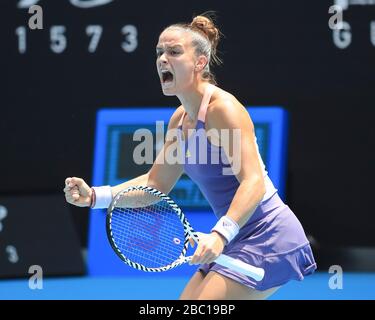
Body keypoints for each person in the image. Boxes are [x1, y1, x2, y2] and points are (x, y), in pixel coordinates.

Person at [64, 13, 316, 300]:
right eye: (159, 52)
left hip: (267, 233)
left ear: (200, 62)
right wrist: (95, 196)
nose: (162, 59)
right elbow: (155, 185)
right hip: (233, 234)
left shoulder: (223, 109)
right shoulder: (179, 120)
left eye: (173, 52)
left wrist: (220, 234)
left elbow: (253, 182)